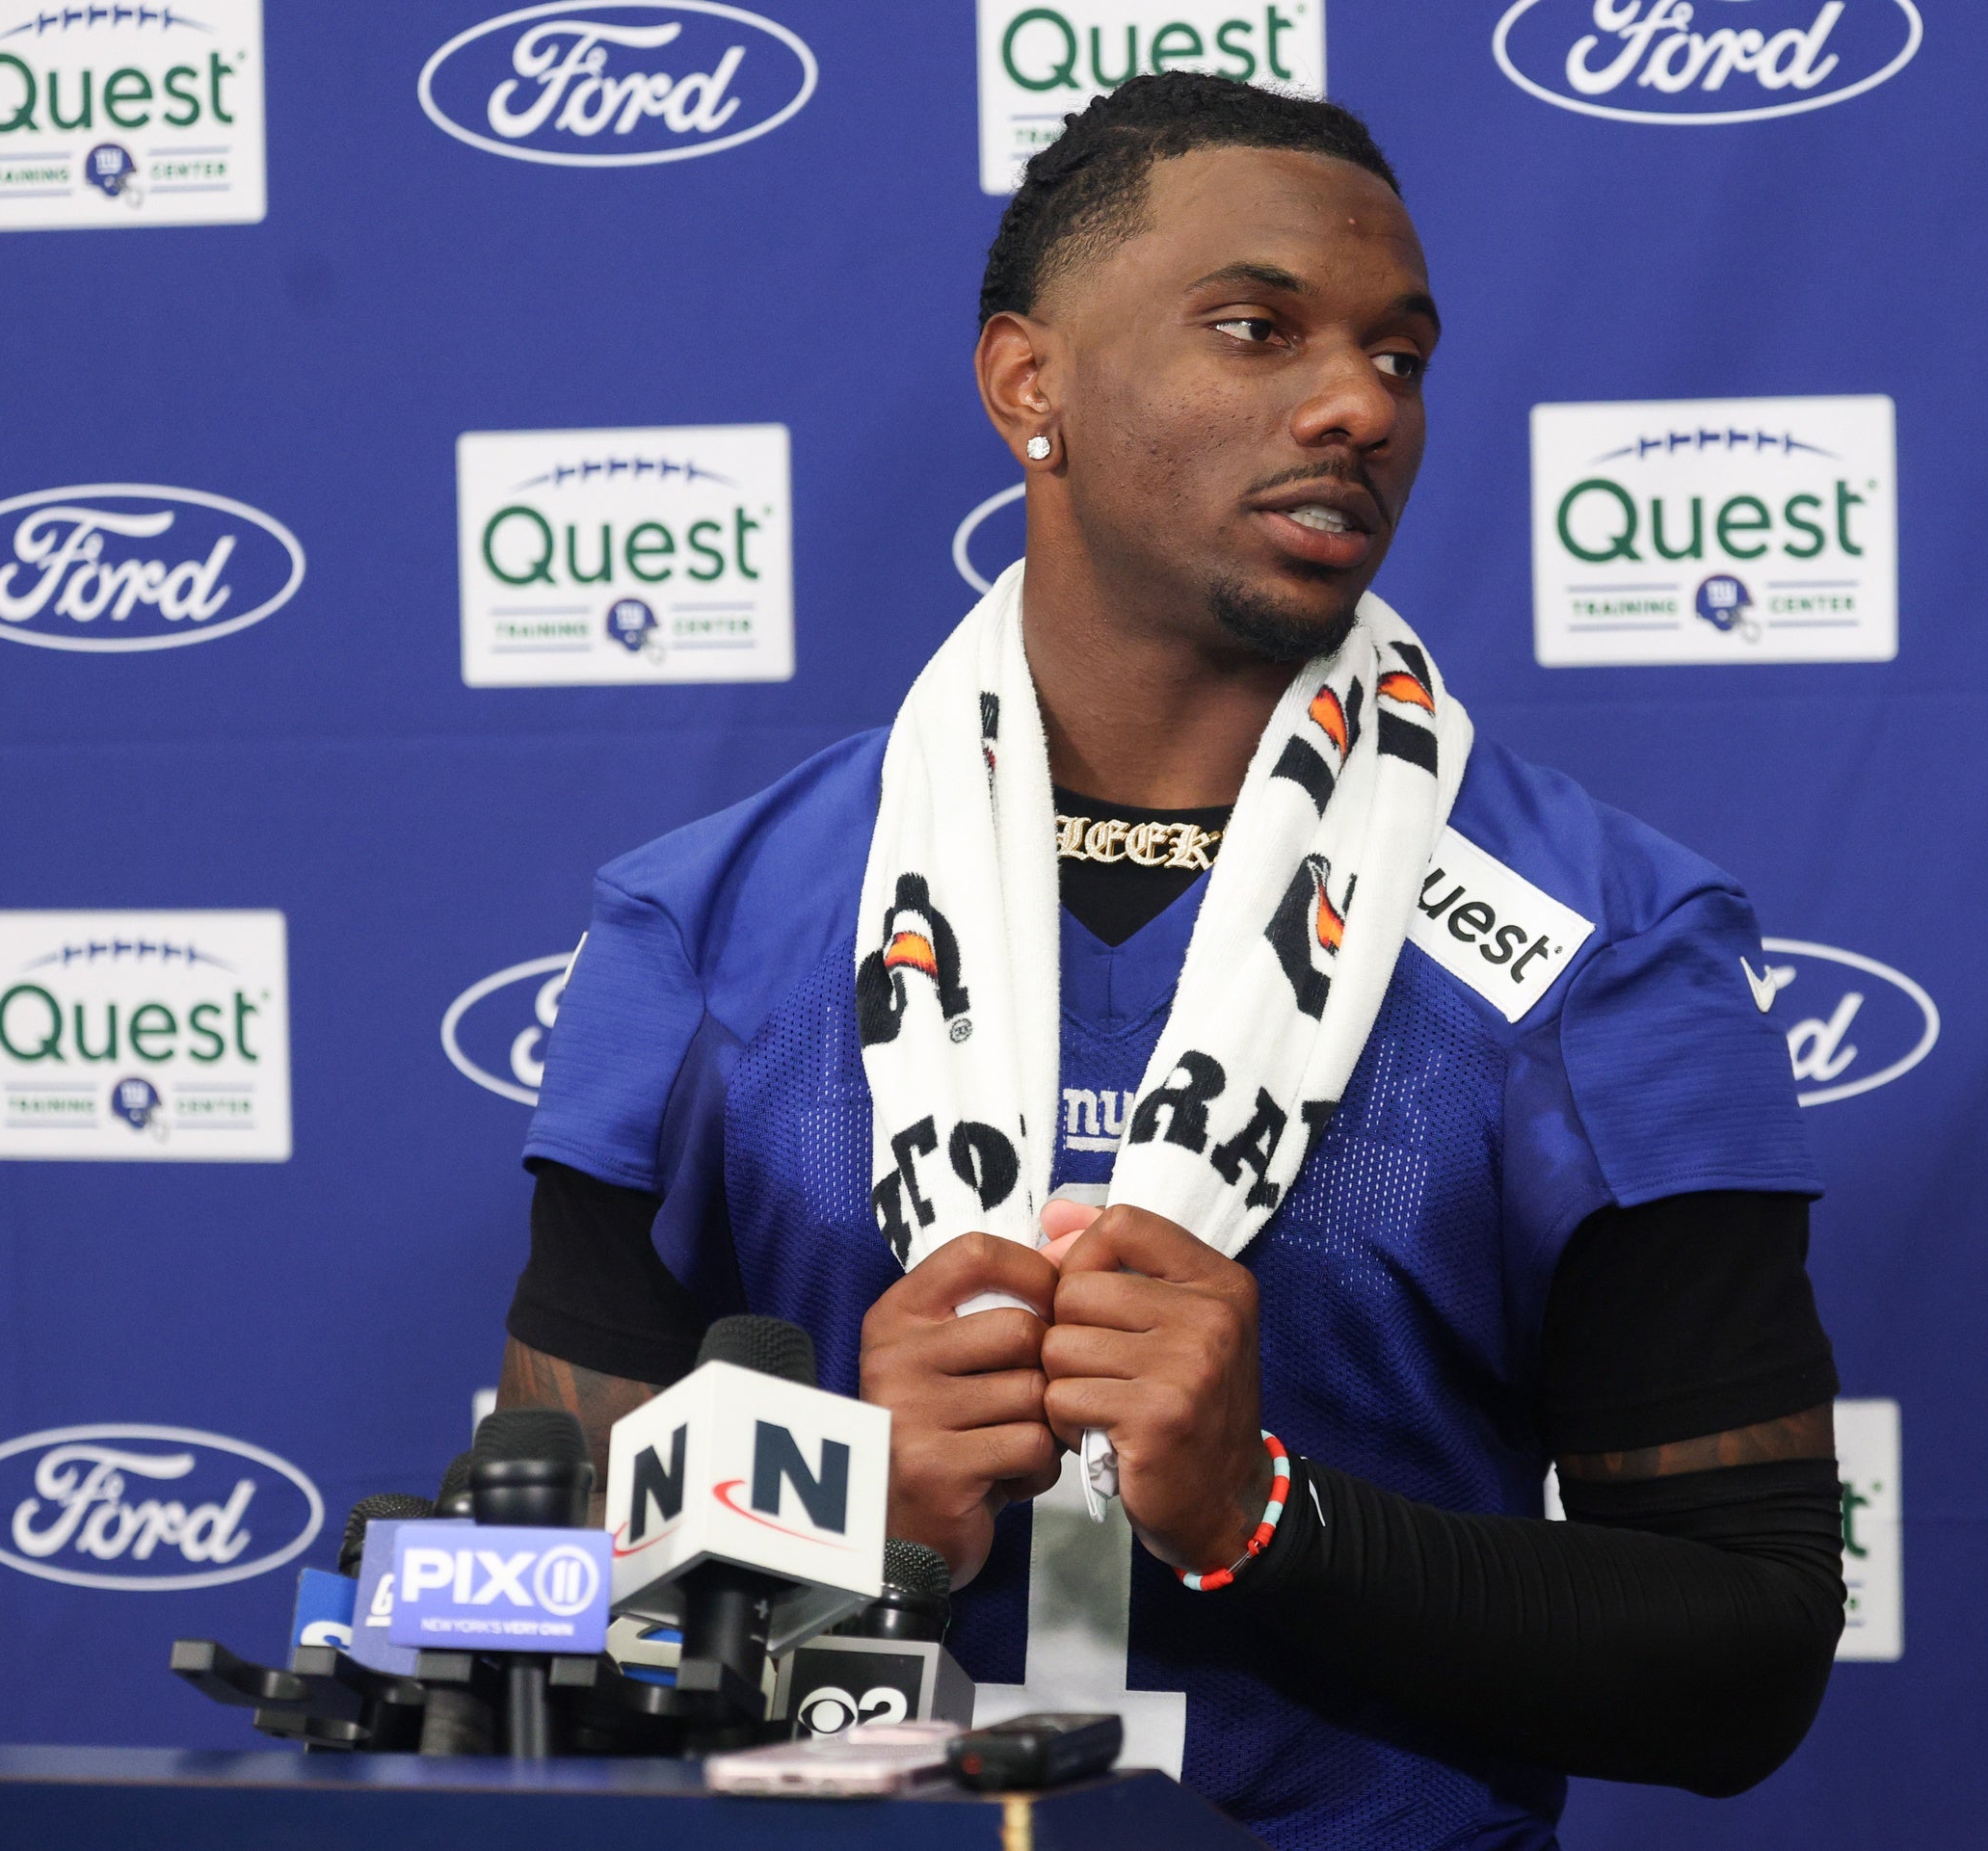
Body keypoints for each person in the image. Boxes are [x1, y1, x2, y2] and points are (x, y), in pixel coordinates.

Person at [497, 71, 1844, 1849]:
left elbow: (1746, 1663)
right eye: (1255, 328)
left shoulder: (1604, 949)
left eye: (1400, 355)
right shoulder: (716, 924)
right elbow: (511, 1621)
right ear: (1026, 384)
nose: (1359, 403)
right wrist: (833, 1527)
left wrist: (1261, 1518)